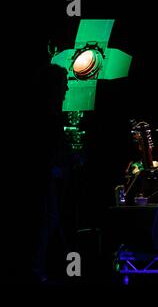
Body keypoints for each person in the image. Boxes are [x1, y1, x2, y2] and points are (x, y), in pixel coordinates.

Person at [28, 63, 70, 283]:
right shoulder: (43, 115)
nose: (67, 90)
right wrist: (50, 168)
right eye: (64, 85)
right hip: (43, 180)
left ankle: (41, 268)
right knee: (44, 222)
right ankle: (36, 269)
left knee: (50, 221)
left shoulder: (51, 114)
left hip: (50, 178)